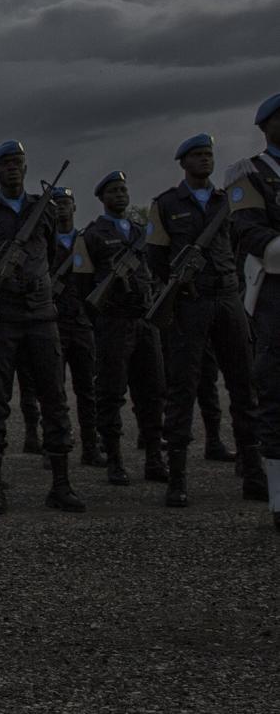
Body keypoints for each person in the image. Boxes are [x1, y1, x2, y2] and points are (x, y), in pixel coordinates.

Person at [0, 141, 84, 515]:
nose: (12, 168)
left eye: (18, 162)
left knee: (55, 399)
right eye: (5, 163)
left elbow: (52, 257)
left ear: (26, 167)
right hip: (2, 321)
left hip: (41, 317)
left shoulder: (43, 209)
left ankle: (61, 485)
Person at [148, 133, 267, 507]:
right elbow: (156, 257)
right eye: (197, 155)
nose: (205, 160)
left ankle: (253, 473)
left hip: (227, 298)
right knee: (182, 388)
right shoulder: (166, 204)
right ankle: (177, 478)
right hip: (190, 303)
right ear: (183, 162)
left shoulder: (226, 200)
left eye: (208, 154)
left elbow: (240, 244)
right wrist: (180, 283)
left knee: (243, 385)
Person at [72, 171, 166, 486]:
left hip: (144, 321)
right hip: (113, 322)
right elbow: (84, 286)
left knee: (152, 392)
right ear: (102, 198)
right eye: (113, 191)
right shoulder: (92, 235)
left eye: (123, 190)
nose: (120, 195)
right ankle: (114, 459)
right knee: (110, 393)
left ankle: (154, 458)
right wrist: (103, 316)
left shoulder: (140, 232)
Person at [228, 91, 280, 530]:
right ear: (266, 126)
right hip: (275, 292)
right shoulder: (248, 173)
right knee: (275, 390)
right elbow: (252, 234)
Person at [47, 187, 100, 467]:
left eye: (66, 202)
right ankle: (54, 445)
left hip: (81, 322)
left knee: (87, 389)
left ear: (75, 207)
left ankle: (90, 446)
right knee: (53, 390)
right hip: (52, 322)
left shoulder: (85, 240)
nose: (61, 207)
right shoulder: (44, 242)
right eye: (56, 203)